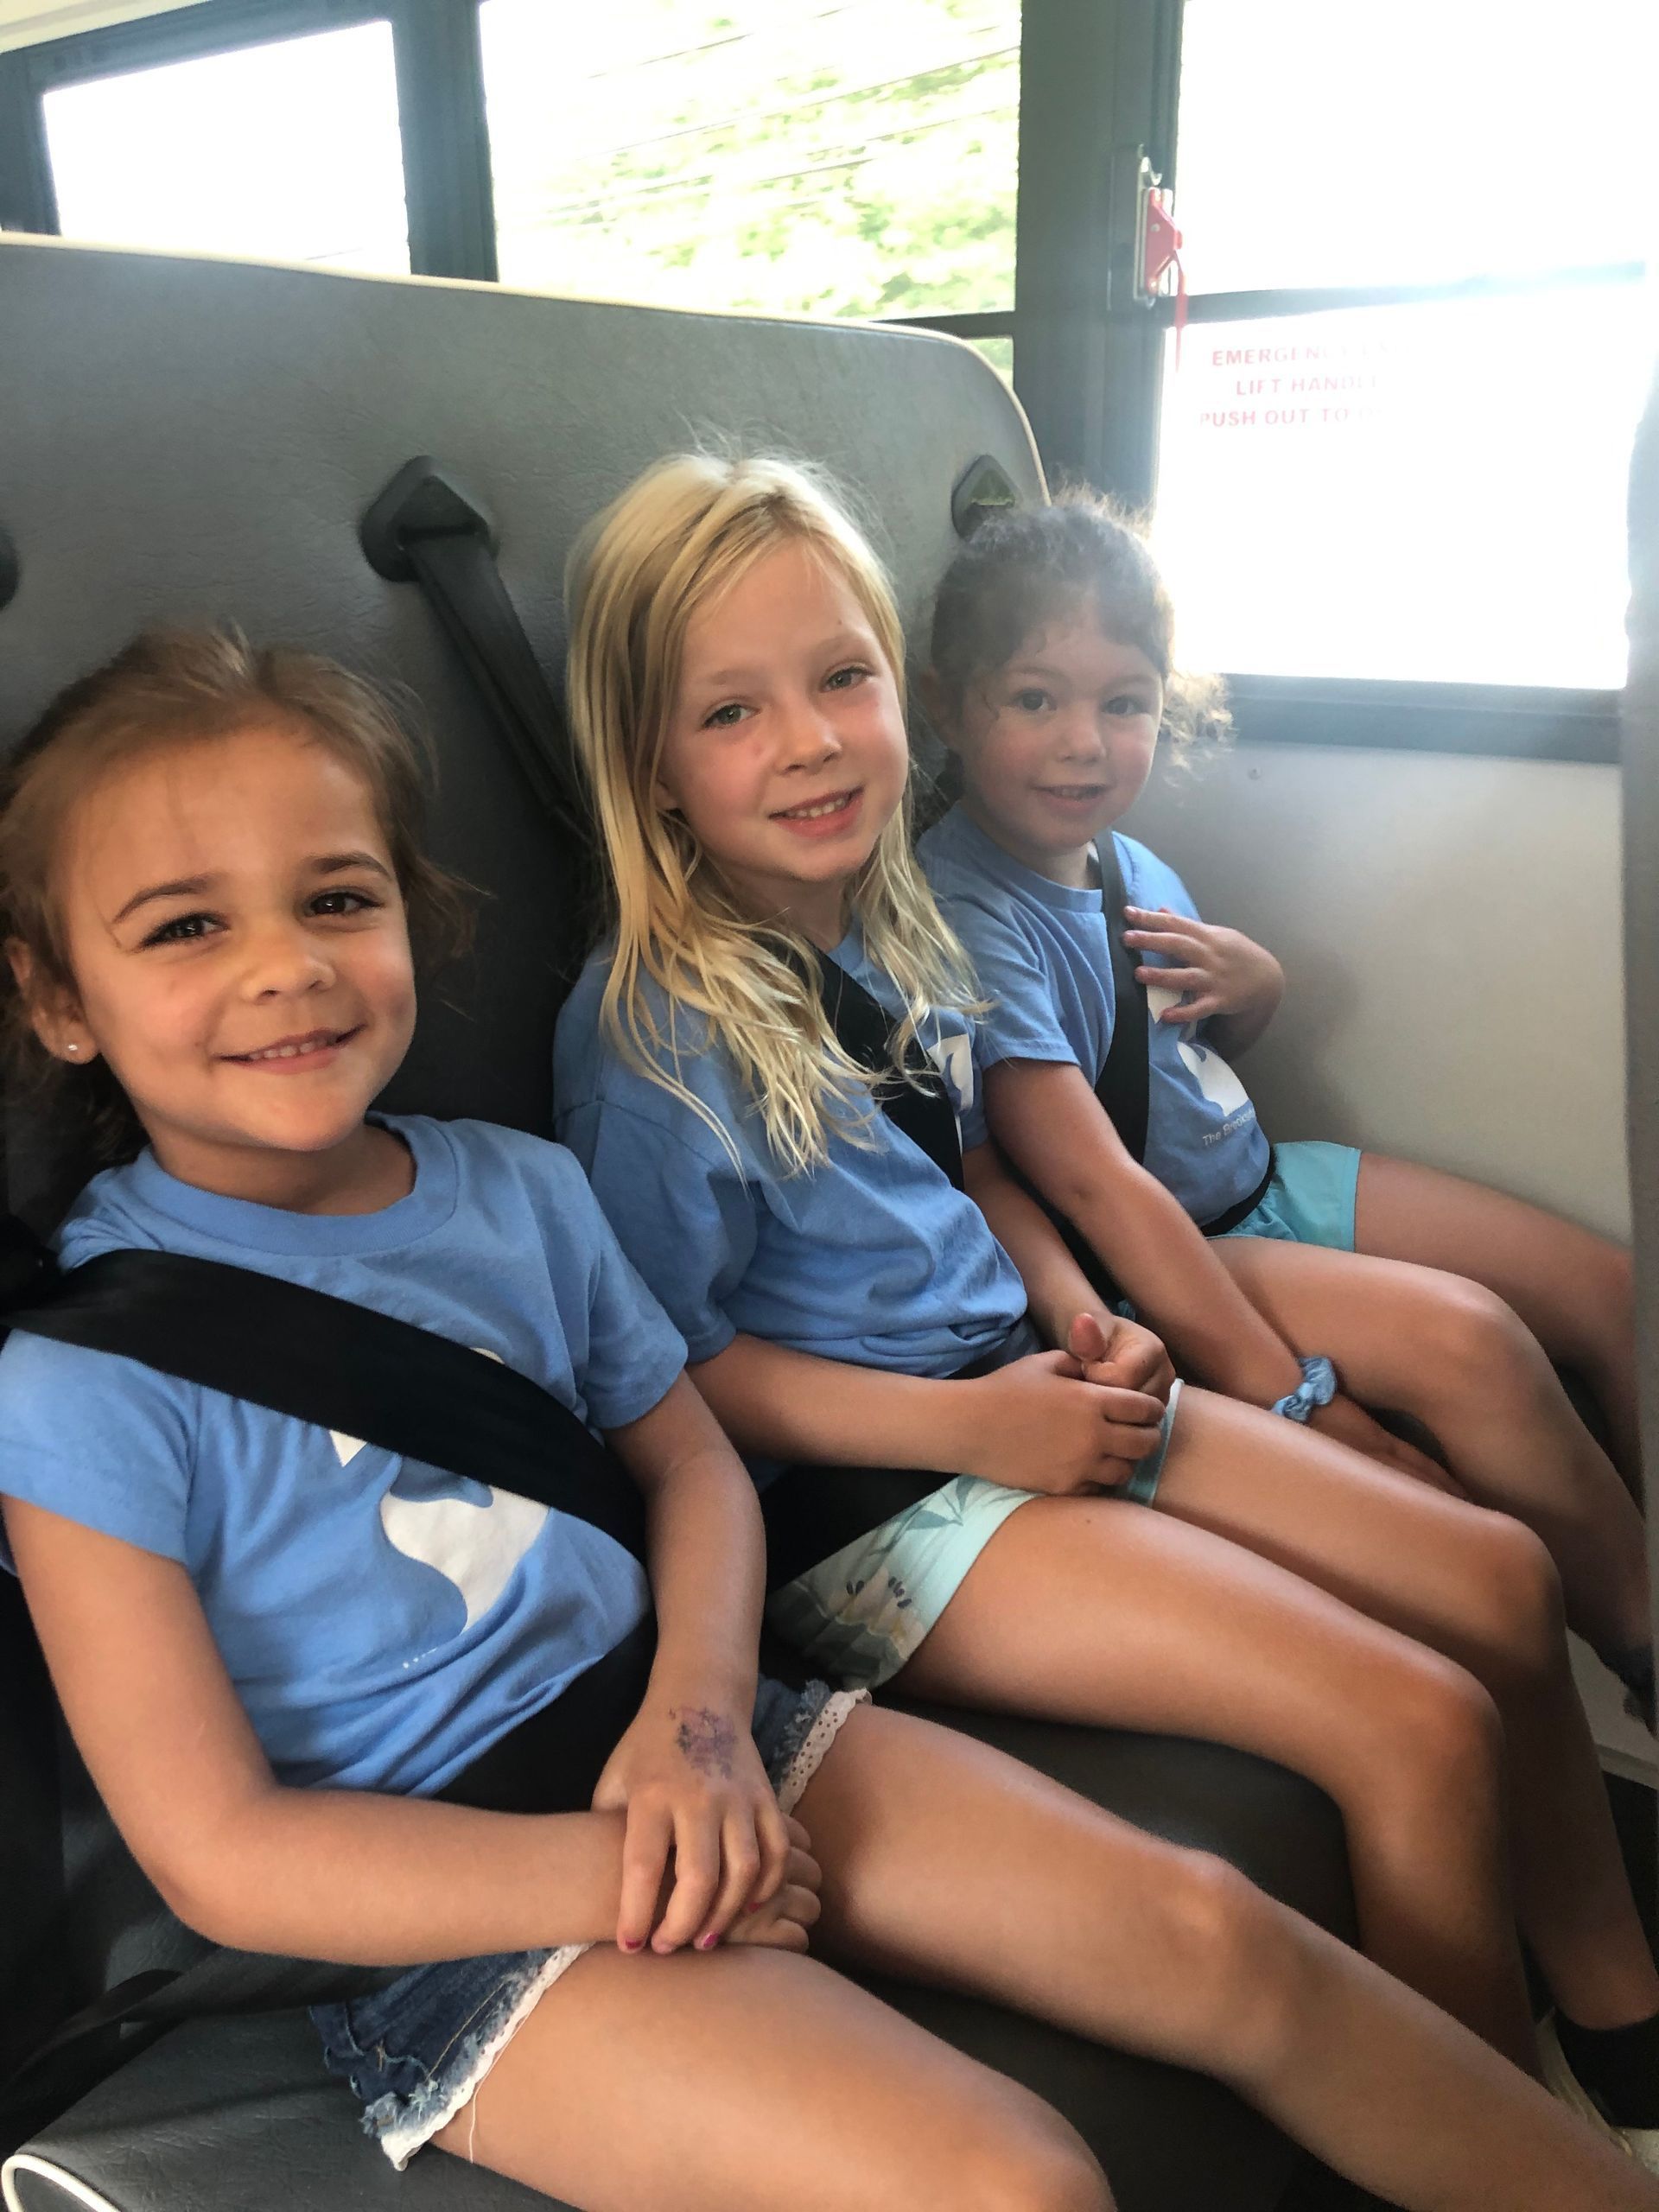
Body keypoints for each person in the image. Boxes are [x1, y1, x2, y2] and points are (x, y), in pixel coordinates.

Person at [7, 637, 1648, 2212]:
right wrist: (628, 1869)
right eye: (181, 930)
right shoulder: (87, 1382)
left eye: (337, 899)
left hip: (705, 1724)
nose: (285, 965)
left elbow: (689, 1464)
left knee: (1222, 1935)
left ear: (411, 921)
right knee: (1014, 2182)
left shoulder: (513, 1190)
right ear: (56, 996)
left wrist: (704, 1727)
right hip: (460, 1906)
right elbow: (223, 1855)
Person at [553, 450, 1659, 2169]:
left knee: (1503, 1575)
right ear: (651, 765)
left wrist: (1075, 1310)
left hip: (1027, 1383)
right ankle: (1505, 2134)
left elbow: (984, 1171)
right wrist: (971, 1421)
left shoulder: (897, 924)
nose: (813, 741)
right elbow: (679, 1378)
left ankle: (1622, 2036)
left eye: (840, 679)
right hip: (879, 1501)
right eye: (733, 712)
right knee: (1412, 1714)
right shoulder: (650, 1034)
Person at [917, 490, 1650, 1730]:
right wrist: (1302, 1402)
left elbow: (1177, 1053)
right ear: (948, 706)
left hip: (1262, 1176)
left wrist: (1261, 991)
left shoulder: (1122, 860)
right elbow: (1096, 1185)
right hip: (1184, 1249)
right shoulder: (968, 909)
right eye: (1035, 699)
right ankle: (1640, 1636)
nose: (1084, 743)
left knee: (1610, 1292)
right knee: (1475, 1343)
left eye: (1125, 703)